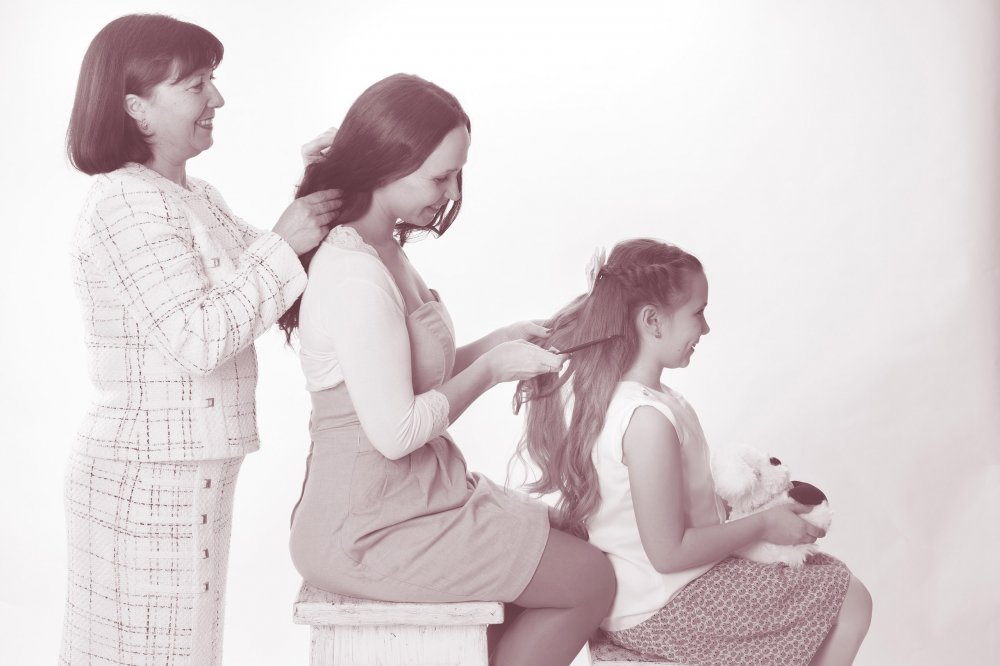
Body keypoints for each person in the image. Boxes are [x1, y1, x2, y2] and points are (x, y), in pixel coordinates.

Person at [281, 73, 616, 666]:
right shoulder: (354, 274)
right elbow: (397, 431)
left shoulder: (384, 247)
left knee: (575, 538)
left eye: (459, 174)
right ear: (384, 166)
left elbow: (408, 378)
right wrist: (490, 371)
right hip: (365, 528)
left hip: (414, 497)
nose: (452, 192)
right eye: (440, 177)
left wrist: (502, 341)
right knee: (589, 580)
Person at [63, 14, 341, 665]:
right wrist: (285, 240)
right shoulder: (124, 203)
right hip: (144, 475)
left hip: (186, 468)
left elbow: (275, 284)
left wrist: (318, 182)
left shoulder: (195, 197)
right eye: (195, 85)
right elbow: (199, 337)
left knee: (186, 649)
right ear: (136, 107)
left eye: (212, 80)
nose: (217, 98)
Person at [515, 239, 873, 666]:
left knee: (830, 580)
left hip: (661, 596)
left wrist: (750, 507)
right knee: (850, 598)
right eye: (697, 313)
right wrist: (764, 524)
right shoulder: (646, 420)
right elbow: (668, 553)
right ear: (653, 321)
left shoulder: (645, 401)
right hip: (663, 606)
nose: (706, 328)